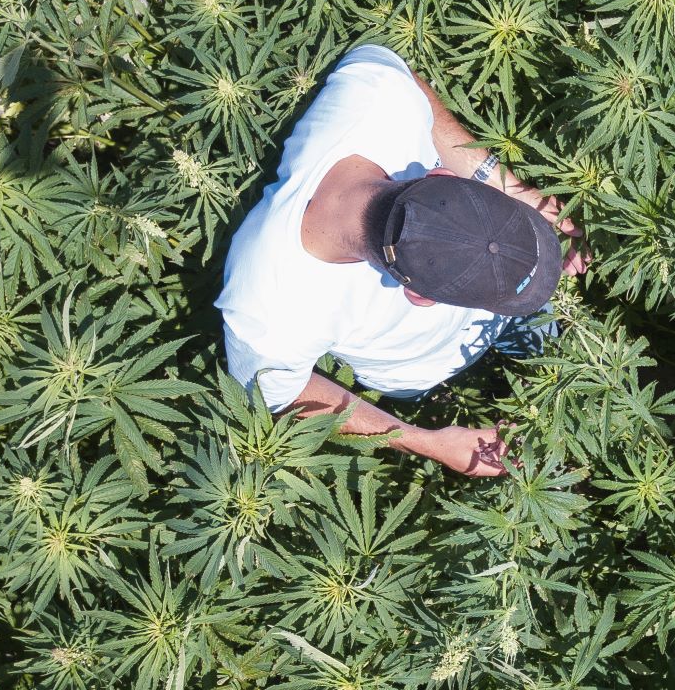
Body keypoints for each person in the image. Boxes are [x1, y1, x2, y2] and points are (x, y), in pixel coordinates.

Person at [216, 44, 586, 476]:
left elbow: (406, 82)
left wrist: (512, 192)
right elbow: (276, 395)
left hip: (485, 325)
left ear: (441, 176)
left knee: (546, 336)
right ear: (419, 296)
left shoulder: (378, 96)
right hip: (417, 370)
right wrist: (428, 442)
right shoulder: (267, 310)